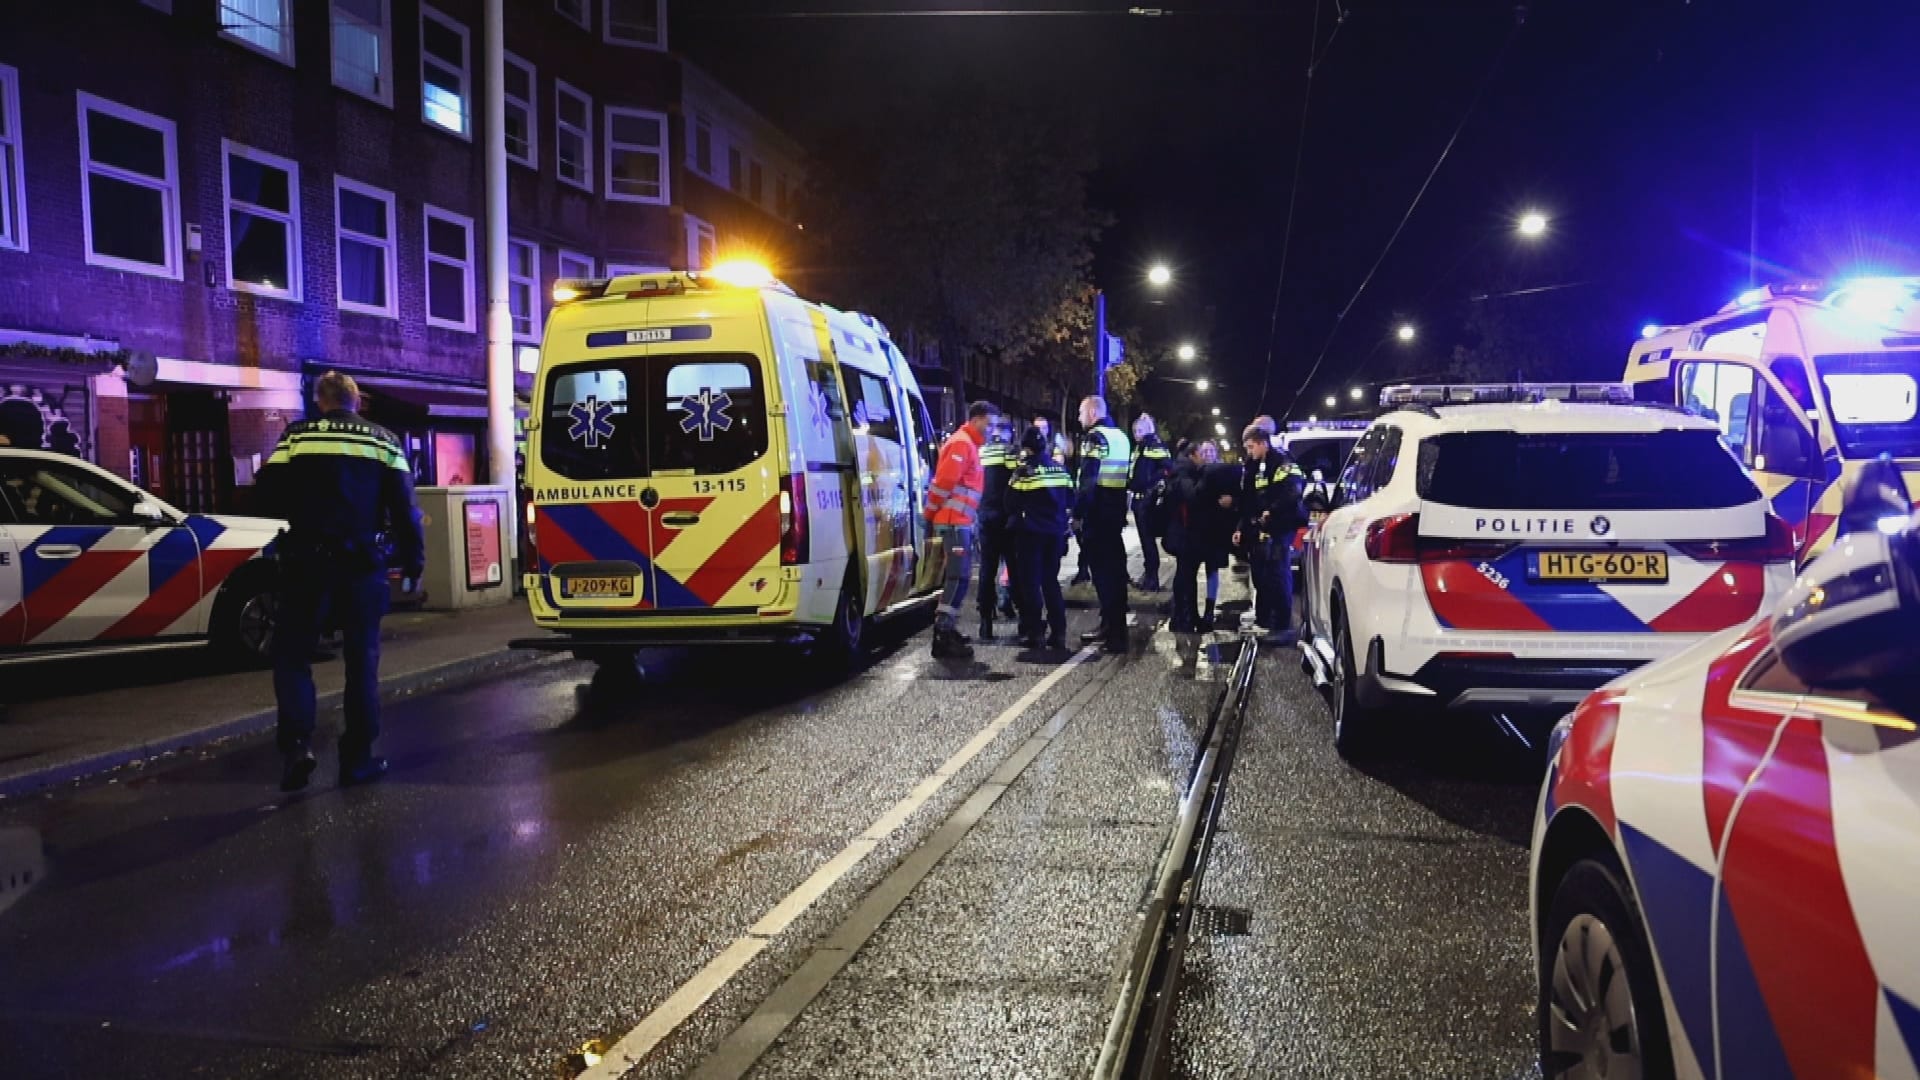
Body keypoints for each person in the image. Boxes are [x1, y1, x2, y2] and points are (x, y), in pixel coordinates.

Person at [255, 371, 424, 792]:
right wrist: (414, 561)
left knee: (293, 655)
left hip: (306, 562)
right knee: (361, 662)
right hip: (361, 566)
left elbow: (267, 493)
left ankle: (297, 747)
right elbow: (406, 508)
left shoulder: (296, 438)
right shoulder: (384, 441)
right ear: (356, 402)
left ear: (320, 401)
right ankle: (358, 760)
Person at [924, 400, 999, 659]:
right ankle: (943, 634)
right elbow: (943, 483)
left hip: (960, 521)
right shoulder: (961, 444)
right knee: (957, 577)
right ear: (976, 419)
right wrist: (929, 513)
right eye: (989, 424)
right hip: (953, 521)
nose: (992, 430)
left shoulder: (968, 446)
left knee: (961, 577)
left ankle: (948, 629)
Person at [1235, 422, 1306, 646]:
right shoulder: (1253, 465)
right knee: (1260, 574)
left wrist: (1272, 510)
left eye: (1251, 447)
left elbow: (1293, 491)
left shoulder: (1283, 463)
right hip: (1260, 528)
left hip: (1281, 526)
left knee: (1277, 572)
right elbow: (1247, 500)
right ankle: (1264, 618)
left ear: (1263, 444)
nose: (1249, 452)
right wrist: (1240, 527)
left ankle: (1283, 623)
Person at [1073, 395, 1132, 654]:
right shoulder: (1121, 437)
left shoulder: (1095, 437)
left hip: (1097, 511)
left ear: (1093, 411)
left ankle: (1114, 635)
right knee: (1116, 573)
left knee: (1104, 575)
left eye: (1081, 412)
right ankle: (1112, 626)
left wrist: (1077, 513)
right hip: (1114, 509)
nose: (1078, 417)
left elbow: (1088, 479)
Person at [1007, 426, 1073, 652]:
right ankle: (1059, 632)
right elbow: (1070, 500)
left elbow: (1010, 504)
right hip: (1055, 534)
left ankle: (1035, 633)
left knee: (1030, 584)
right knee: (1050, 582)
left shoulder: (1024, 471)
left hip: (1030, 534)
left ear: (1026, 448)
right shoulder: (1061, 471)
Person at [1166, 440, 1240, 633]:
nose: (1205, 455)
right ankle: (1183, 616)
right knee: (1185, 575)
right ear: (1194, 455)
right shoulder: (1187, 472)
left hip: (1205, 534)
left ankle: (1197, 614)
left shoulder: (1201, 471)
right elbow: (1193, 496)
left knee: (1198, 573)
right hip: (1189, 534)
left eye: (1209, 451)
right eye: (1202, 451)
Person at [974, 415, 1018, 641]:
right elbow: (1017, 482)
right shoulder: (1010, 453)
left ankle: (985, 621)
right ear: (1009, 432)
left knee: (987, 568)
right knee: (1013, 566)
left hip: (984, 515)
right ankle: (1023, 621)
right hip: (1005, 517)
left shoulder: (981, 452)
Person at [1127, 413, 1174, 592]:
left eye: (1140, 430)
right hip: (1140, 499)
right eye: (1134, 430)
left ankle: (1152, 579)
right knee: (1145, 541)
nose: (1136, 433)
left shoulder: (1153, 444)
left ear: (1148, 429)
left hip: (1147, 500)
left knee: (1148, 541)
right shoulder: (1141, 446)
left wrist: (1151, 484)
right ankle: (1149, 577)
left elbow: (1167, 467)